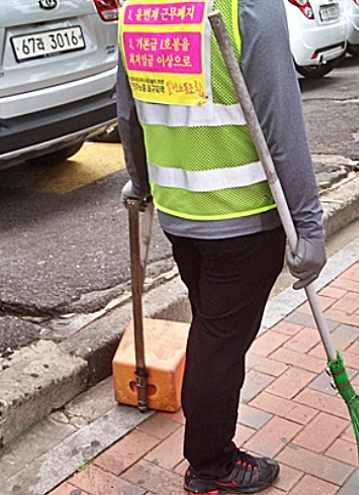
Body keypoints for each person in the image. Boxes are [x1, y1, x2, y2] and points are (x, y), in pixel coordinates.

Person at [116, 0, 327, 492]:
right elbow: (282, 123)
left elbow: (126, 111)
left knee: (213, 330)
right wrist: (309, 226)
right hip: (242, 217)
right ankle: (211, 463)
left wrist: (139, 181)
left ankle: (211, 450)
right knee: (220, 344)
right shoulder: (245, 7)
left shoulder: (139, 8)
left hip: (180, 215)